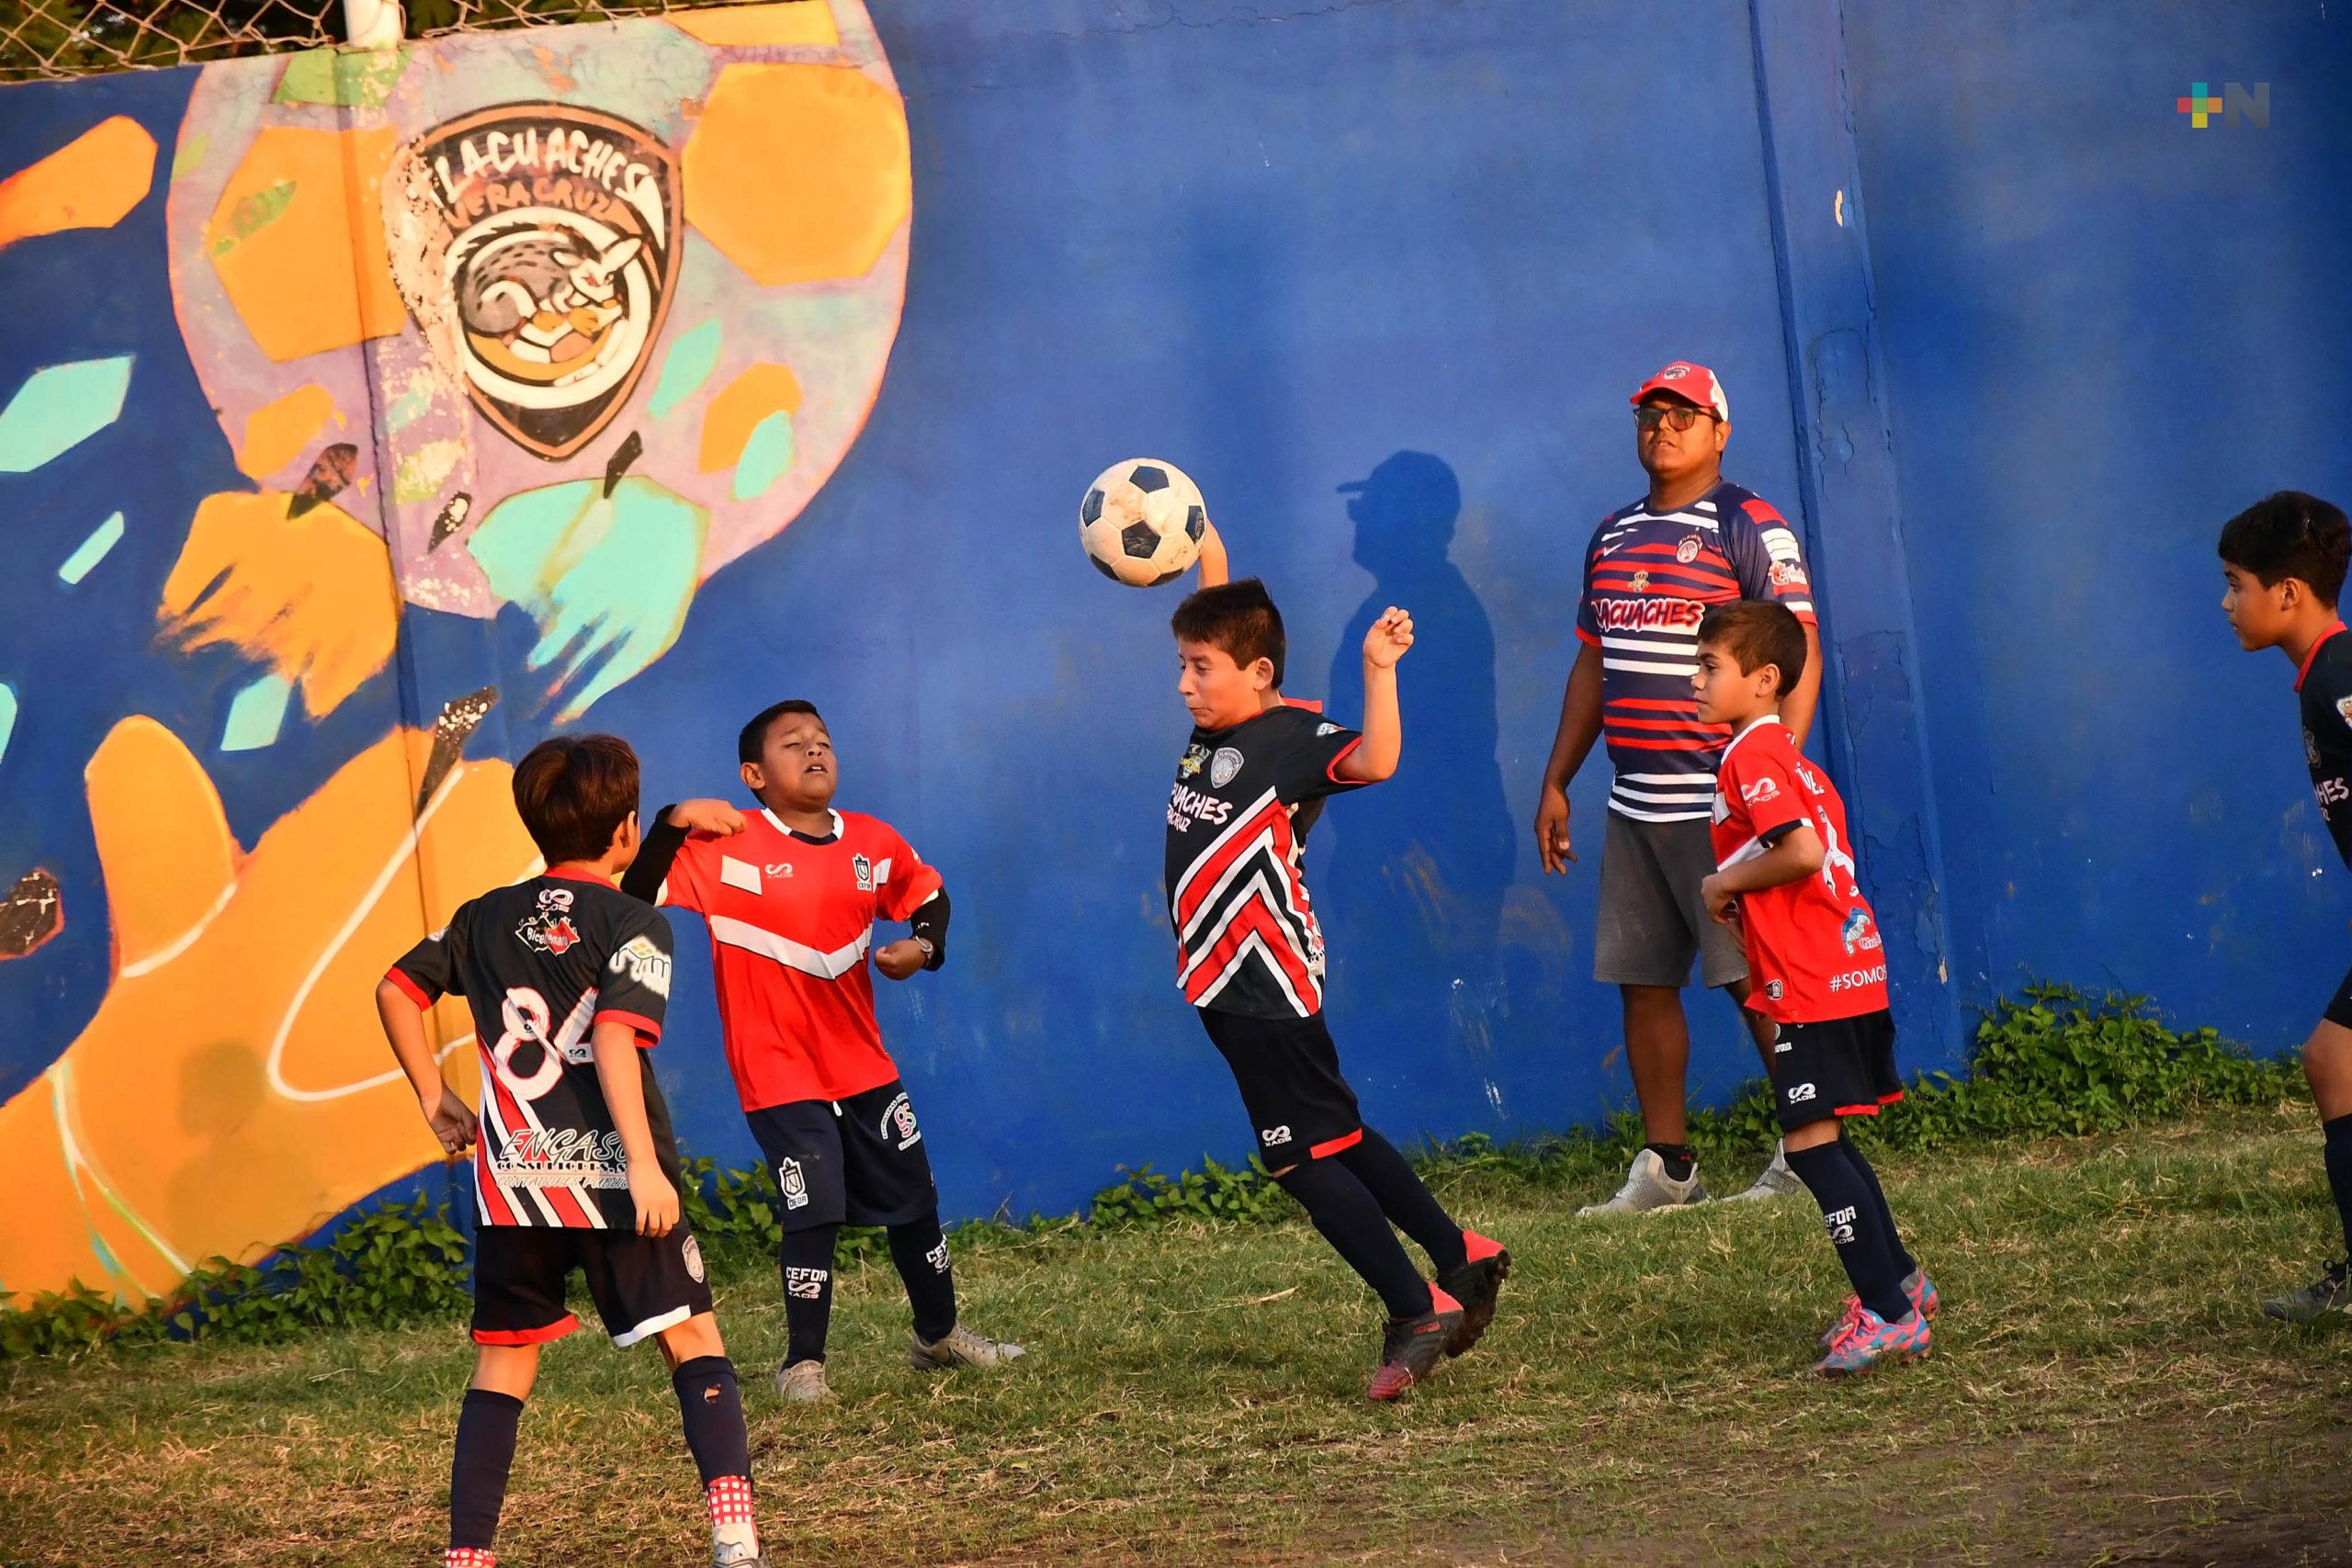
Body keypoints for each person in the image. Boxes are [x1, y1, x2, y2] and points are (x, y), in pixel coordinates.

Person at [373, 734, 767, 1568]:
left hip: (515, 1183)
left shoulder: (481, 915)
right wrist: (645, 1167)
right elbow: (617, 1042)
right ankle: (735, 1542)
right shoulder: (636, 921)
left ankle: (468, 1557)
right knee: (694, 1341)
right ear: (624, 831)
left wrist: (432, 1098)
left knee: (502, 1366)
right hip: (616, 1182)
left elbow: (395, 989)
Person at [1164, 576, 1510, 1401]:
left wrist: (1377, 666)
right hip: (1222, 980)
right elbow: (1224, 599)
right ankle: (1462, 1251)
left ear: (1255, 670)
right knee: (1339, 1135)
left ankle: (1414, 1306)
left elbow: (1377, 760)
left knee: (1299, 1159)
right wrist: (1201, 536)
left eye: (1200, 667)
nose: (1185, 684)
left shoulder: (1285, 737)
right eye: (1182, 664)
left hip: (1264, 980)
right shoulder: (1217, 724)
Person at [619, 700, 1022, 1402]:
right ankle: (802, 1365)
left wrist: (924, 947)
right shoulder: (725, 847)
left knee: (915, 1200)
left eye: (823, 741)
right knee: (816, 1209)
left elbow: (927, 894)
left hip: (864, 1065)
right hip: (777, 1071)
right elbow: (636, 890)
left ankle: (940, 1336)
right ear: (753, 774)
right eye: (792, 744)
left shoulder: (872, 840)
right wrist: (672, 819)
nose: (814, 751)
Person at [1532, 361, 1824, 1213]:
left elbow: (1796, 643)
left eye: (1684, 414)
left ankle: (1809, 1146)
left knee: (1756, 981)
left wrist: (1775, 765)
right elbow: (1595, 660)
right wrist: (1558, 779)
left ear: (1720, 431)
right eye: (1650, 414)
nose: (1663, 426)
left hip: (1721, 801)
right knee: (1644, 979)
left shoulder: (1748, 524)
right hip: (1635, 801)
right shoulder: (1614, 533)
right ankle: (1670, 1170)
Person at [1690, 604, 1938, 1374]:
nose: (1694, 680)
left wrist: (1721, 882)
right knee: (1826, 1135)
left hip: (1812, 979)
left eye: (1709, 667)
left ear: (1763, 682)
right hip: (1849, 968)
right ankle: (1899, 1282)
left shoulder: (1748, 759)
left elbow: (1798, 850)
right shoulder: (1794, 758)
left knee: (1807, 1145)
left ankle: (1892, 1314)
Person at [2218, 491, 2352, 1322]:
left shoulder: (2337, 675)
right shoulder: (2320, 678)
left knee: (2332, 1061)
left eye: (2237, 583)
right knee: (2333, 1062)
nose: (2228, 603)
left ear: (2288, 593)